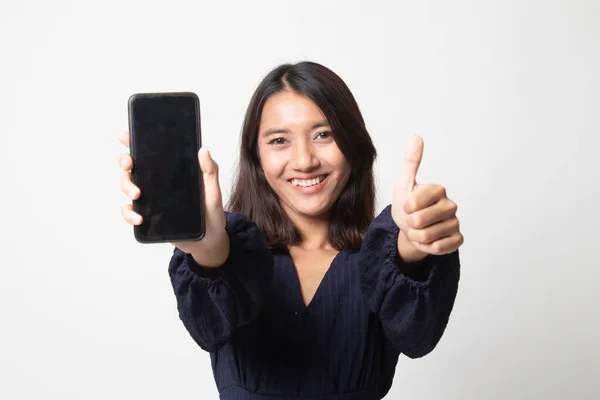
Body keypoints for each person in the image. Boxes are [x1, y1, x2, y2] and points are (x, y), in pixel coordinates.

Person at [118, 61, 463, 400]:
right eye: (279, 140)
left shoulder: (380, 262)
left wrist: (413, 247)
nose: (304, 160)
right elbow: (207, 324)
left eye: (324, 135)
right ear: (256, 157)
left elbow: (417, 336)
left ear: (353, 146)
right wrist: (208, 251)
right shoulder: (236, 262)